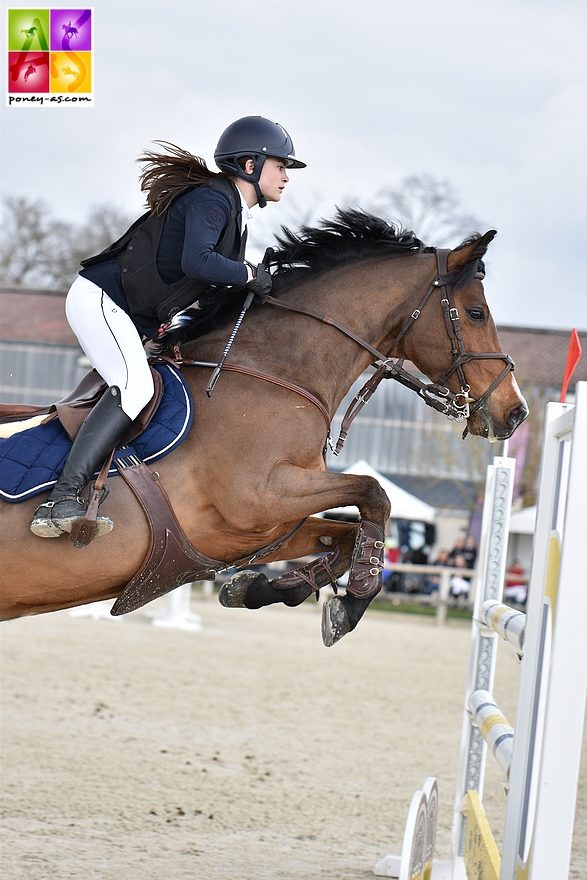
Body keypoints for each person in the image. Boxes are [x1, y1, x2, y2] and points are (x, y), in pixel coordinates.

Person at [31, 115, 306, 539]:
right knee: (135, 387)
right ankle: (61, 498)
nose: (287, 176)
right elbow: (197, 261)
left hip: (126, 313)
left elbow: (211, 288)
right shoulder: (213, 200)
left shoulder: (234, 215)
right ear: (250, 165)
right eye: (281, 166)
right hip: (100, 300)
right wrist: (249, 275)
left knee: (149, 385)